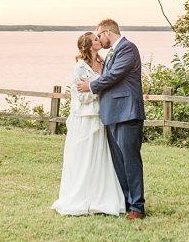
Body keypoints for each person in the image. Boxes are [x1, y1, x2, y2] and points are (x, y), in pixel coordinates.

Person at [77, 18, 146, 220]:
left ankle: (137, 207)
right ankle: (125, 202)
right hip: (112, 114)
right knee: (119, 163)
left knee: (130, 161)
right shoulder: (112, 53)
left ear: (108, 33)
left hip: (127, 113)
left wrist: (90, 86)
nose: (98, 40)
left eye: (99, 36)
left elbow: (114, 76)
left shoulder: (128, 49)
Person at [51, 31, 125, 216]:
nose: (99, 40)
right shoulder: (79, 68)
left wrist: (96, 87)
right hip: (84, 119)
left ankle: (101, 196)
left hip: (100, 117)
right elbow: (81, 97)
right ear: (88, 45)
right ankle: (81, 197)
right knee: (84, 158)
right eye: (95, 39)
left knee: (100, 157)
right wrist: (98, 89)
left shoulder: (102, 63)